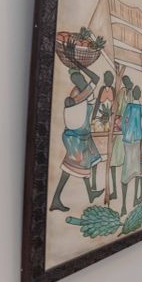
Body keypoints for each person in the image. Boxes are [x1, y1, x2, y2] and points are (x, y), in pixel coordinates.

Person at [49, 66, 104, 212]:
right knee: (70, 168)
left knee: (86, 163)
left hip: (83, 136)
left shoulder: (83, 92)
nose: (78, 80)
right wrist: (79, 66)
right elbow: (96, 79)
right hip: (76, 138)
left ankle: (90, 193)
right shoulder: (79, 94)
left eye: (79, 77)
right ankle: (55, 199)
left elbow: (89, 105)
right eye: (75, 78)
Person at [120, 85, 142, 216]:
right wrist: (140, 135)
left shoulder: (130, 106)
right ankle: (133, 200)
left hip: (129, 139)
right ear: (139, 94)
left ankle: (124, 205)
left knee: (128, 166)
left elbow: (123, 122)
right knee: (136, 167)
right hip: (136, 140)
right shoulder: (140, 108)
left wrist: (126, 133)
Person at [108, 76, 133, 200]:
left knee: (125, 165)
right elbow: (116, 109)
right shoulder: (122, 92)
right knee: (113, 162)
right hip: (120, 131)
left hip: (127, 133)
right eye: (127, 82)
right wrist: (117, 120)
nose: (129, 84)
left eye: (129, 82)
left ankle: (124, 195)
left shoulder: (131, 95)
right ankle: (114, 190)